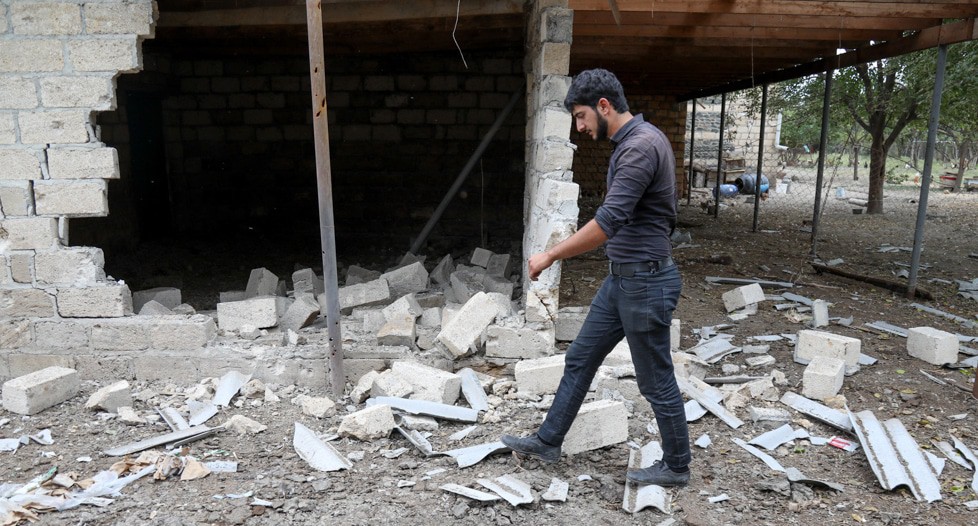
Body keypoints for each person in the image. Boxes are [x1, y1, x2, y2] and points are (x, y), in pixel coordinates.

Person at [501, 69, 690, 487]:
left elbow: (608, 221)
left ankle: (676, 466)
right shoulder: (633, 143)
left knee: (655, 380)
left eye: (582, 116)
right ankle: (548, 441)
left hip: (645, 283)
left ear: (604, 106)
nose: (580, 128)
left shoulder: (641, 147)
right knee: (580, 358)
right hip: (622, 280)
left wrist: (550, 255)